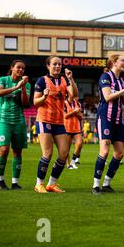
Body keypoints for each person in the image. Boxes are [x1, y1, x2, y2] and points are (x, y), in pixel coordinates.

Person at [33, 56, 78, 193]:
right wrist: (44, 96)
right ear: (48, 66)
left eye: (59, 64)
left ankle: (51, 184)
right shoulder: (42, 80)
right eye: (54, 64)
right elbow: (35, 102)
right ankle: (39, 184)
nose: (57, 66)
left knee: (64, 154)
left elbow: (74, 95)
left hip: (59, 122)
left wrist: (70, 78)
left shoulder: (64, 80)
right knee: (48, 153)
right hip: (44, 120)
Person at [91, 53, 124, 194]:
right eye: (123, 60)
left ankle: (106, 183)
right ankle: (95, 185)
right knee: (104, 150)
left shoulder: (121, 80)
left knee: (120, 153)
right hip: (105, 118)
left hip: (117, 120)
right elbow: (108, 96)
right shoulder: (105, 77)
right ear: (114, 63)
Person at [0, 59, 31, 190]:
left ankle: (15, 183)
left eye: (23, 68)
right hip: (3, 119)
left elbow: (25, 103)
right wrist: (16, 87)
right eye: (18, 67)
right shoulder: (2, 80)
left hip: (19, 120)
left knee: (17, 151)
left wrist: (22, 87)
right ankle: (0, 180)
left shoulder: (26, 84)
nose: (20, 70)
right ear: (12, 68)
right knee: (4, 149)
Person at [64, 95, 84, 169]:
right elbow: (65, 116)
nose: (77, 97)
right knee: (67, 148)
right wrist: (74, 112)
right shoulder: (64, 103)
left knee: (80, 144)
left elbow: (81, 117)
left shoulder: (78, 104)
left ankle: (73, 161)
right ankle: (68, 164)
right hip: (67, 128)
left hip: (77, 128)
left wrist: (78, 113)